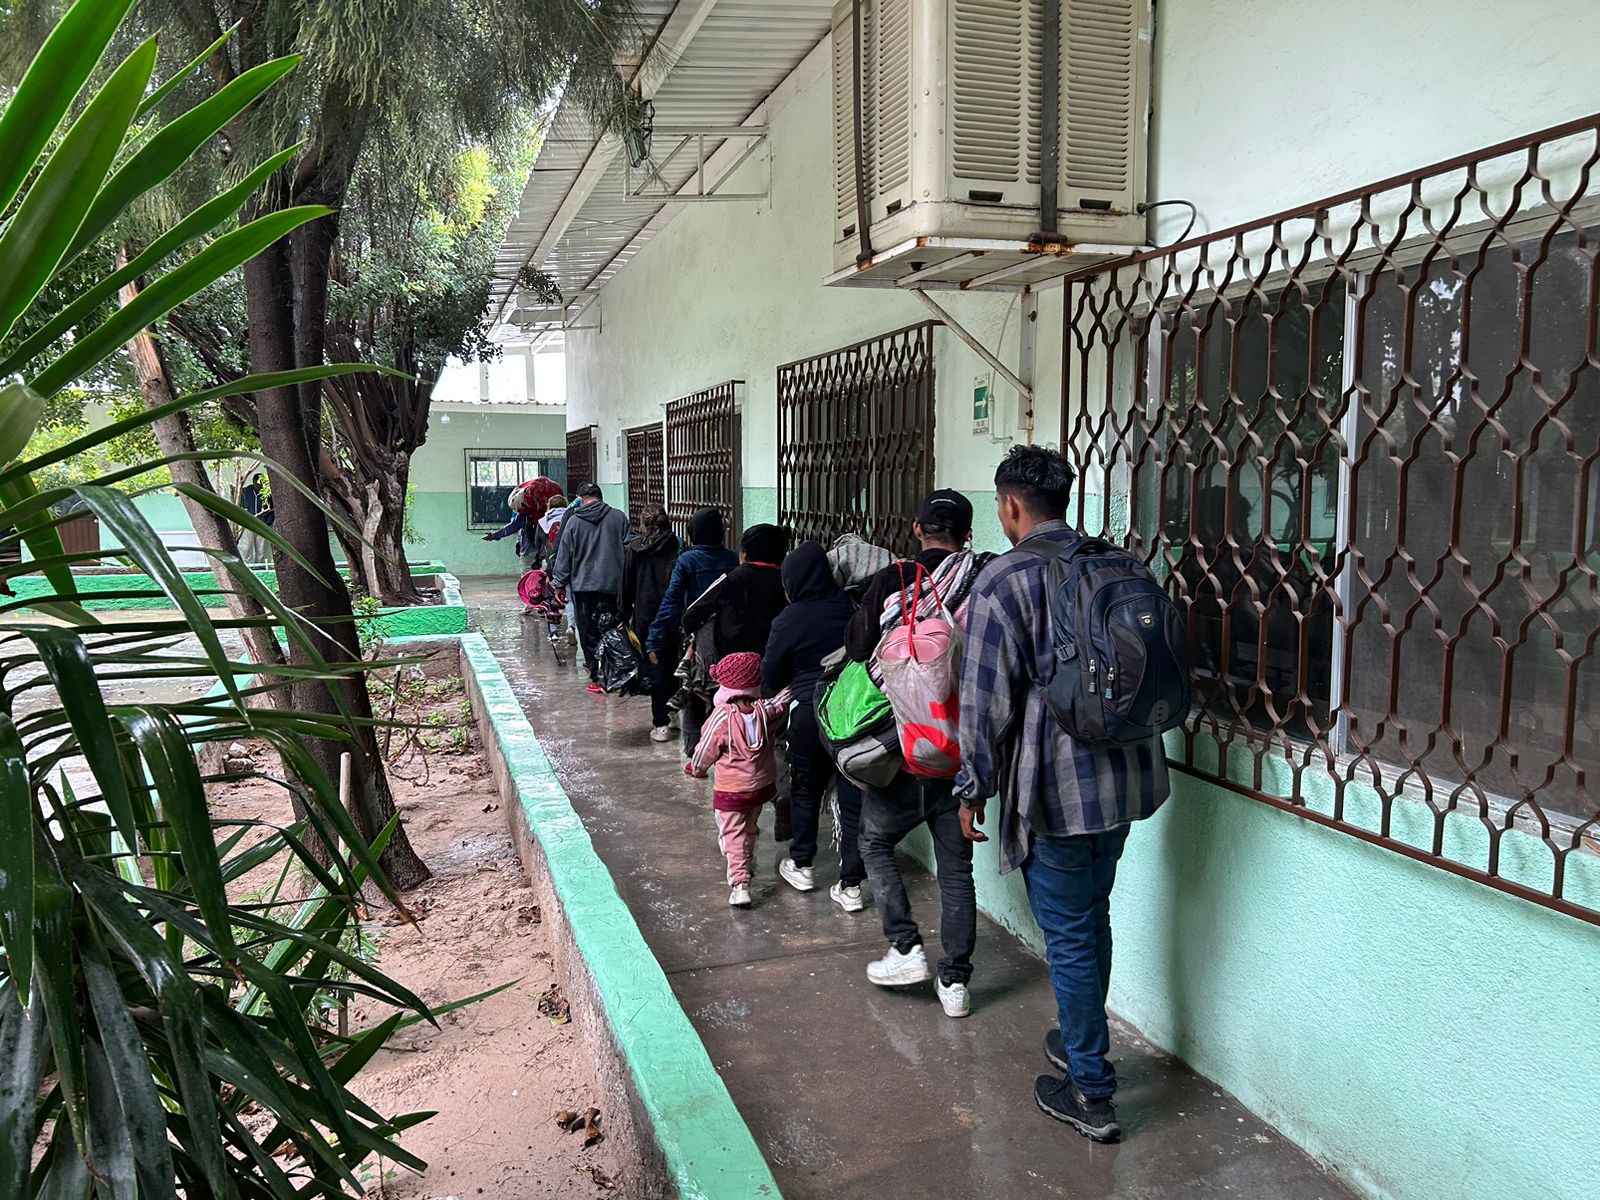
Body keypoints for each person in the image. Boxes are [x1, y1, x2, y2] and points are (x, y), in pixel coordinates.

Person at [954, 445, 1170, 1144]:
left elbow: (983, 701)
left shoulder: (1003, 580)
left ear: (1011, 505)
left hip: (1055, 791)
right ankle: (1080, 1042)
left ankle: (1091, 1091)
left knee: (1071, 934)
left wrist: (971, 787)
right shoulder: (1120, 563)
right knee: (1090, 916)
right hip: (1127, 781)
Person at [845, 490, 986, 1017]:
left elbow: (858, 647)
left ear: (916, 529)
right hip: (964, 751)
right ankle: (955, 983)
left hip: (905, 746)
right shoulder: (982, 576)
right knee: (957, 871)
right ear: (967, 534)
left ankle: (905, 946)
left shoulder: (895, 578)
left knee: (874, 841)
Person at [761, 541, 868, 909]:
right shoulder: (852, 609)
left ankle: (802, 864)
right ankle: (851, 886)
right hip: (851, 716)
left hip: (808, 714)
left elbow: (770, 678)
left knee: (806, 789)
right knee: (853, 796)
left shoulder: (787, 619)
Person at [686, 652, 792, 909]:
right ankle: (747, 860)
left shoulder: (721, 717)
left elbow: (704, 750)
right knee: (750, 828)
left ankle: (740, 885)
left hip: (731, 791)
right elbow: (781, 701)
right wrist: (795, 684)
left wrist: (698, 769)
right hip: (761, 787)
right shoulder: (765, 712)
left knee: (731, 835)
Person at [679, 523, 790, 753]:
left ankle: (710, 755)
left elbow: (690, 616)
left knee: (731, 724)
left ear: (745, 555)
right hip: (775, 668)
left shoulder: (730, 580)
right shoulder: (787, 583)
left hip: (734, 671)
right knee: (772, 729)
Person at [647, 507, 739, 748]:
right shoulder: (732, 559)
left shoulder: (687, 560)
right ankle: (722, 745)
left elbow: (671, 602)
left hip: (695, 638)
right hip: (728, 636)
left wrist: (655, 637)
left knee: (693, 691)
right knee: (724, 692)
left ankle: (695, 749)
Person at [551, 483, 630, 693]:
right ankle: (615, 673)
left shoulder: (573, 522)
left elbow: (564, 555)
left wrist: (559, 584)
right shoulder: (618, 518)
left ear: (580, 498)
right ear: (600, 497)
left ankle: (597, 676)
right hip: (612, 586)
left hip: (583, 588)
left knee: (589, 632)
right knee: (613, 629)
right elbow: (630, 549)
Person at [622, 505, 681, 740]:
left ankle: (661, 722)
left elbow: (626, 585)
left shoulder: (635, 549)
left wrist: (622, 613)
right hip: (673, 613)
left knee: (655, 667)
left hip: (645, 615)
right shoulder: (676, 545)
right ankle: (673, 711)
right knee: (674, 663)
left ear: (643, 525)